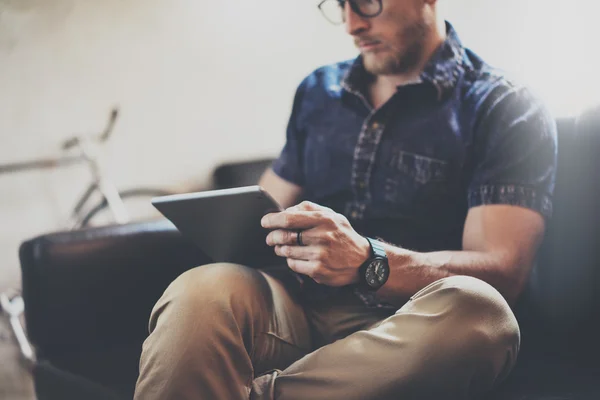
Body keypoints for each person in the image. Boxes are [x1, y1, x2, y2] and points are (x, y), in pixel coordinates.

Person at [134, 0, 557, 399]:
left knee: (483, 314)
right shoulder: (319, 91)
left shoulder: (504, 106)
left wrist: (366, 260)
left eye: (368, 2)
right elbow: (267, 211)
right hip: (298, 308)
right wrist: (243, 227)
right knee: (200, 288)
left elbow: (502, 272)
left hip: (410, 323)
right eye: (340, 5)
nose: (353, 24)